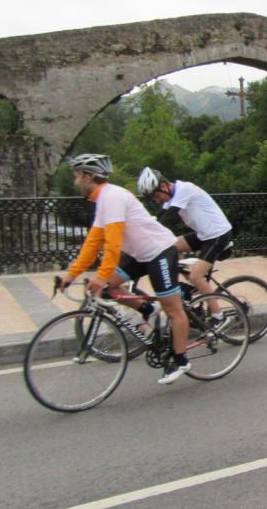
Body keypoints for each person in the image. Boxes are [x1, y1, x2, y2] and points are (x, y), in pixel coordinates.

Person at [58, 154, 193, 385]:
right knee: (107, 289)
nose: (75, 182)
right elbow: (93, 242)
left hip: (160, 250)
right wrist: (70, 275)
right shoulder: (102, 200)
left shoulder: (113, 198)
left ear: (89, 176)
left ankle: (180, 360)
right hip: (141, 254)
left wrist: (100, 276)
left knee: (172, 309)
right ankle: (148, 309)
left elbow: (113, 243)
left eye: (77, 176)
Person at [138, 168, 233, 326]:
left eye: (156, 196)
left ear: (163, 185)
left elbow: (169, 217)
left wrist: (152, 232)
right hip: (203, 234)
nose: (157, 200)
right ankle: (190, 287)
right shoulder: (170, 195)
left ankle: (219, 316)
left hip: (217, 235)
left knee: (197, 276)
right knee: (170, 247)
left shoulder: (184, 189)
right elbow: (160, 216)